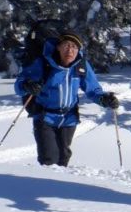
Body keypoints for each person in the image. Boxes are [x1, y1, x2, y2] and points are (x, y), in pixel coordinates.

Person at [14, 31, 119, 167]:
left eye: (74, 47)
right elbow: (19, 85)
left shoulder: (81, 66)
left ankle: (59, 180)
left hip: (69, 118)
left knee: (63, 157)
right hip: (44, 117)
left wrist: (104, 99)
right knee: (49, 159)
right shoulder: (44, 63)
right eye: (66, 45)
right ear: (58, 47)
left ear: (78, 50)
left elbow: (93, 90)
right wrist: (27, 85)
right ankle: (46, 180)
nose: (70, 50)